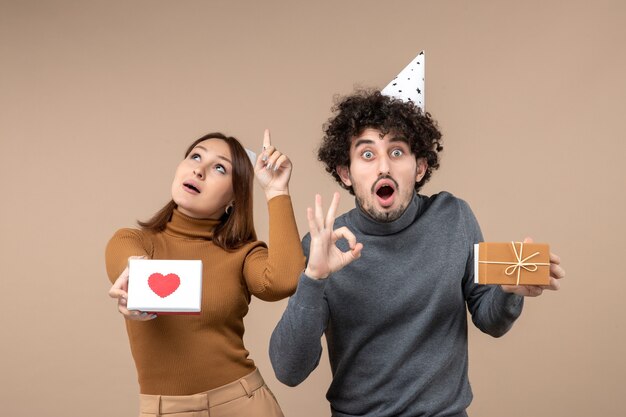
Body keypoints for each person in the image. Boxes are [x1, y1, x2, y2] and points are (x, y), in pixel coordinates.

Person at [269, 90, 566, 417]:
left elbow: (490, 320)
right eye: (367, 155)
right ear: (345, 173)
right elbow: (289, 370)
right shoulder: (322, 245)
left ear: (420, 167)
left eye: (397, 151)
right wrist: (314, 278)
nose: (384, 166)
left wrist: (510, 291)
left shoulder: (453, 217)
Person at [106, 130, 305, 417]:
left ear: (234, 197)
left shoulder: (243, 254)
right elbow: (128, 265)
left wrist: (276, 191)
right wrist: (134, 285)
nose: (199, 170)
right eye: (195, 156)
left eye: (219, 168)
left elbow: (284, 280)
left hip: (244, 404)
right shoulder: (133, 241)